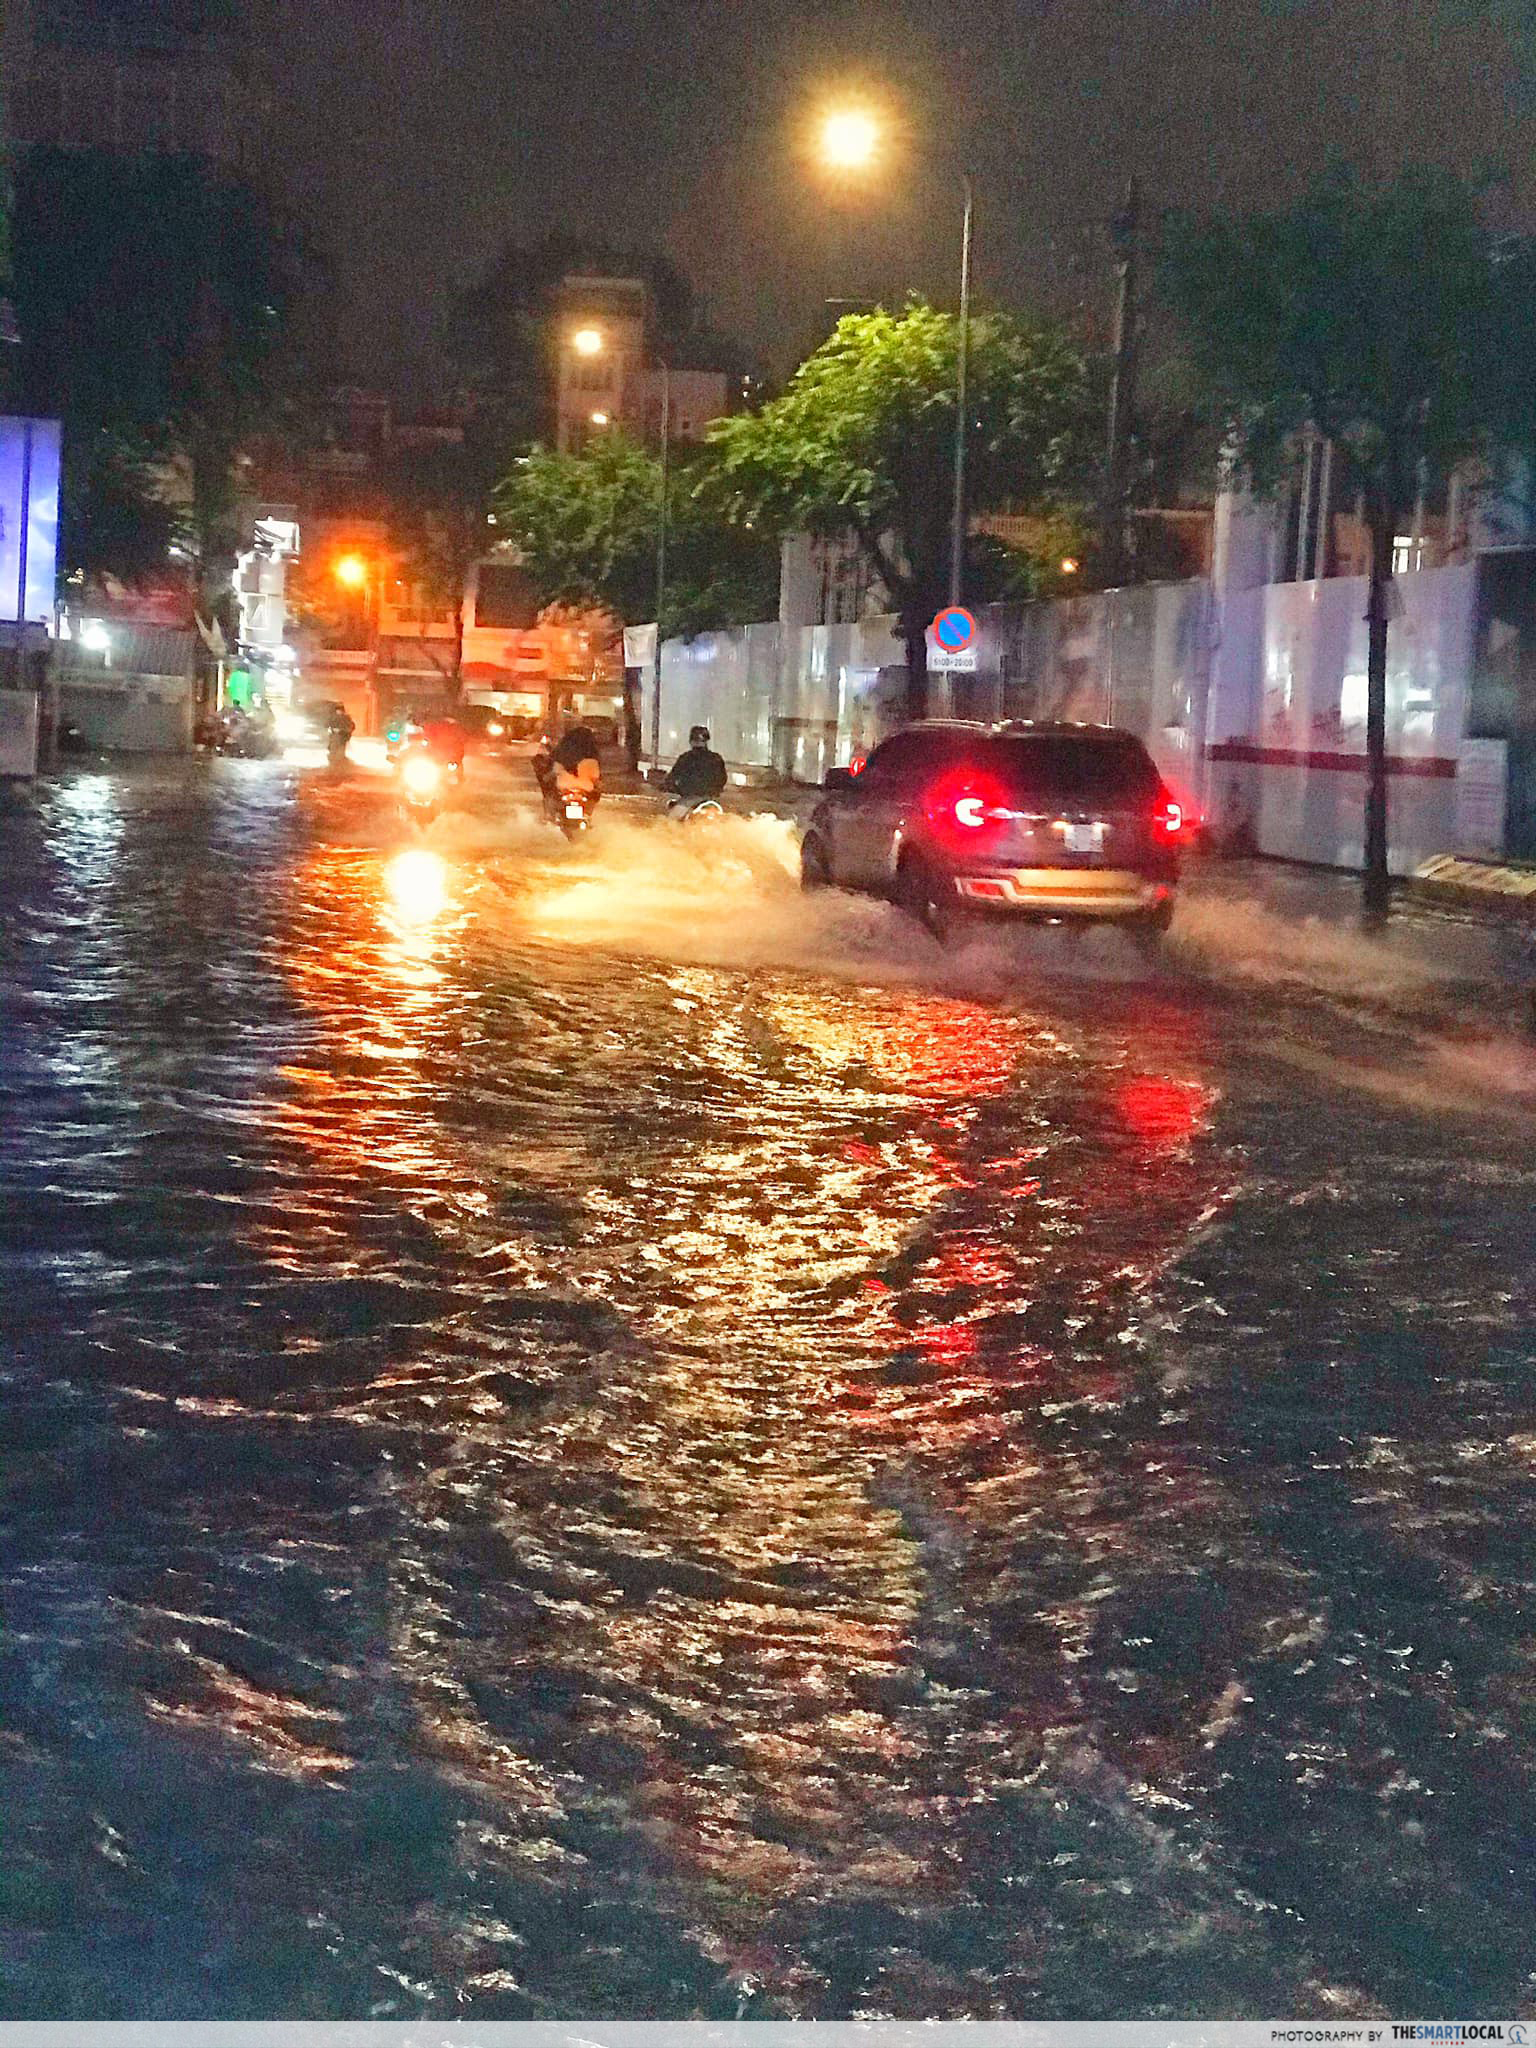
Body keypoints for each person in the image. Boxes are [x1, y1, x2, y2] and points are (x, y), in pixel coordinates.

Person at [665, 725, 728, 803]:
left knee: (673, 810)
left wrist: (668, 787)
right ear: (706, 741)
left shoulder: (685, 758)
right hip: (711, 800)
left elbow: (672, 778)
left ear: (691, 741)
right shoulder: (716, 758)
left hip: (688, 800)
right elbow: (722, 780)